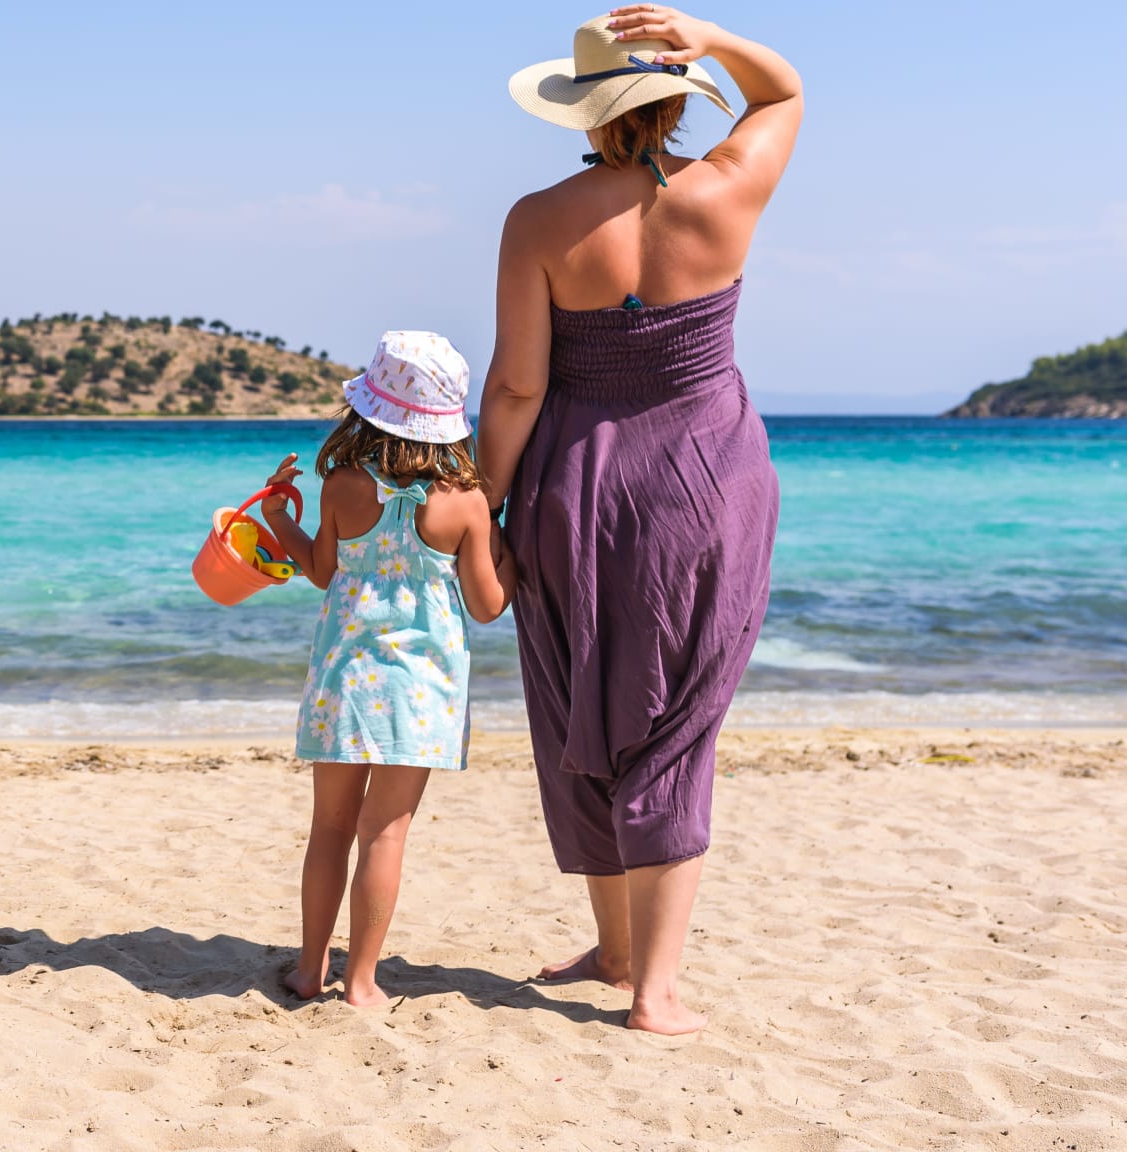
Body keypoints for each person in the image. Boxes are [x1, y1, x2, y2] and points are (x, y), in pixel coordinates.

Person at [479, 7, 800, 1034]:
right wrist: (709, 33)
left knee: (582, 702)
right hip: (706, 483)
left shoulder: (537, 218)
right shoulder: (724, 190)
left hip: (574, 484)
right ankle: (641, 978)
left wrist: (483, 503)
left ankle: (624, 957)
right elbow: (784, 91)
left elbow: (518, 388)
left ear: (580, 111)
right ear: (674, 102)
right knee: (676, 722)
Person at [260, 331, 517, 1007]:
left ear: (370, 410)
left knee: (330, 831)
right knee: (385, 833)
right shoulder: (465, 504)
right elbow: (488, 606)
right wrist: (510, 540)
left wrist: (281, 521)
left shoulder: (343, 485)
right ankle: (364, 982)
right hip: (420, 696)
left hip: (343, 682)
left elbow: (319, 572)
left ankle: (310, 970)